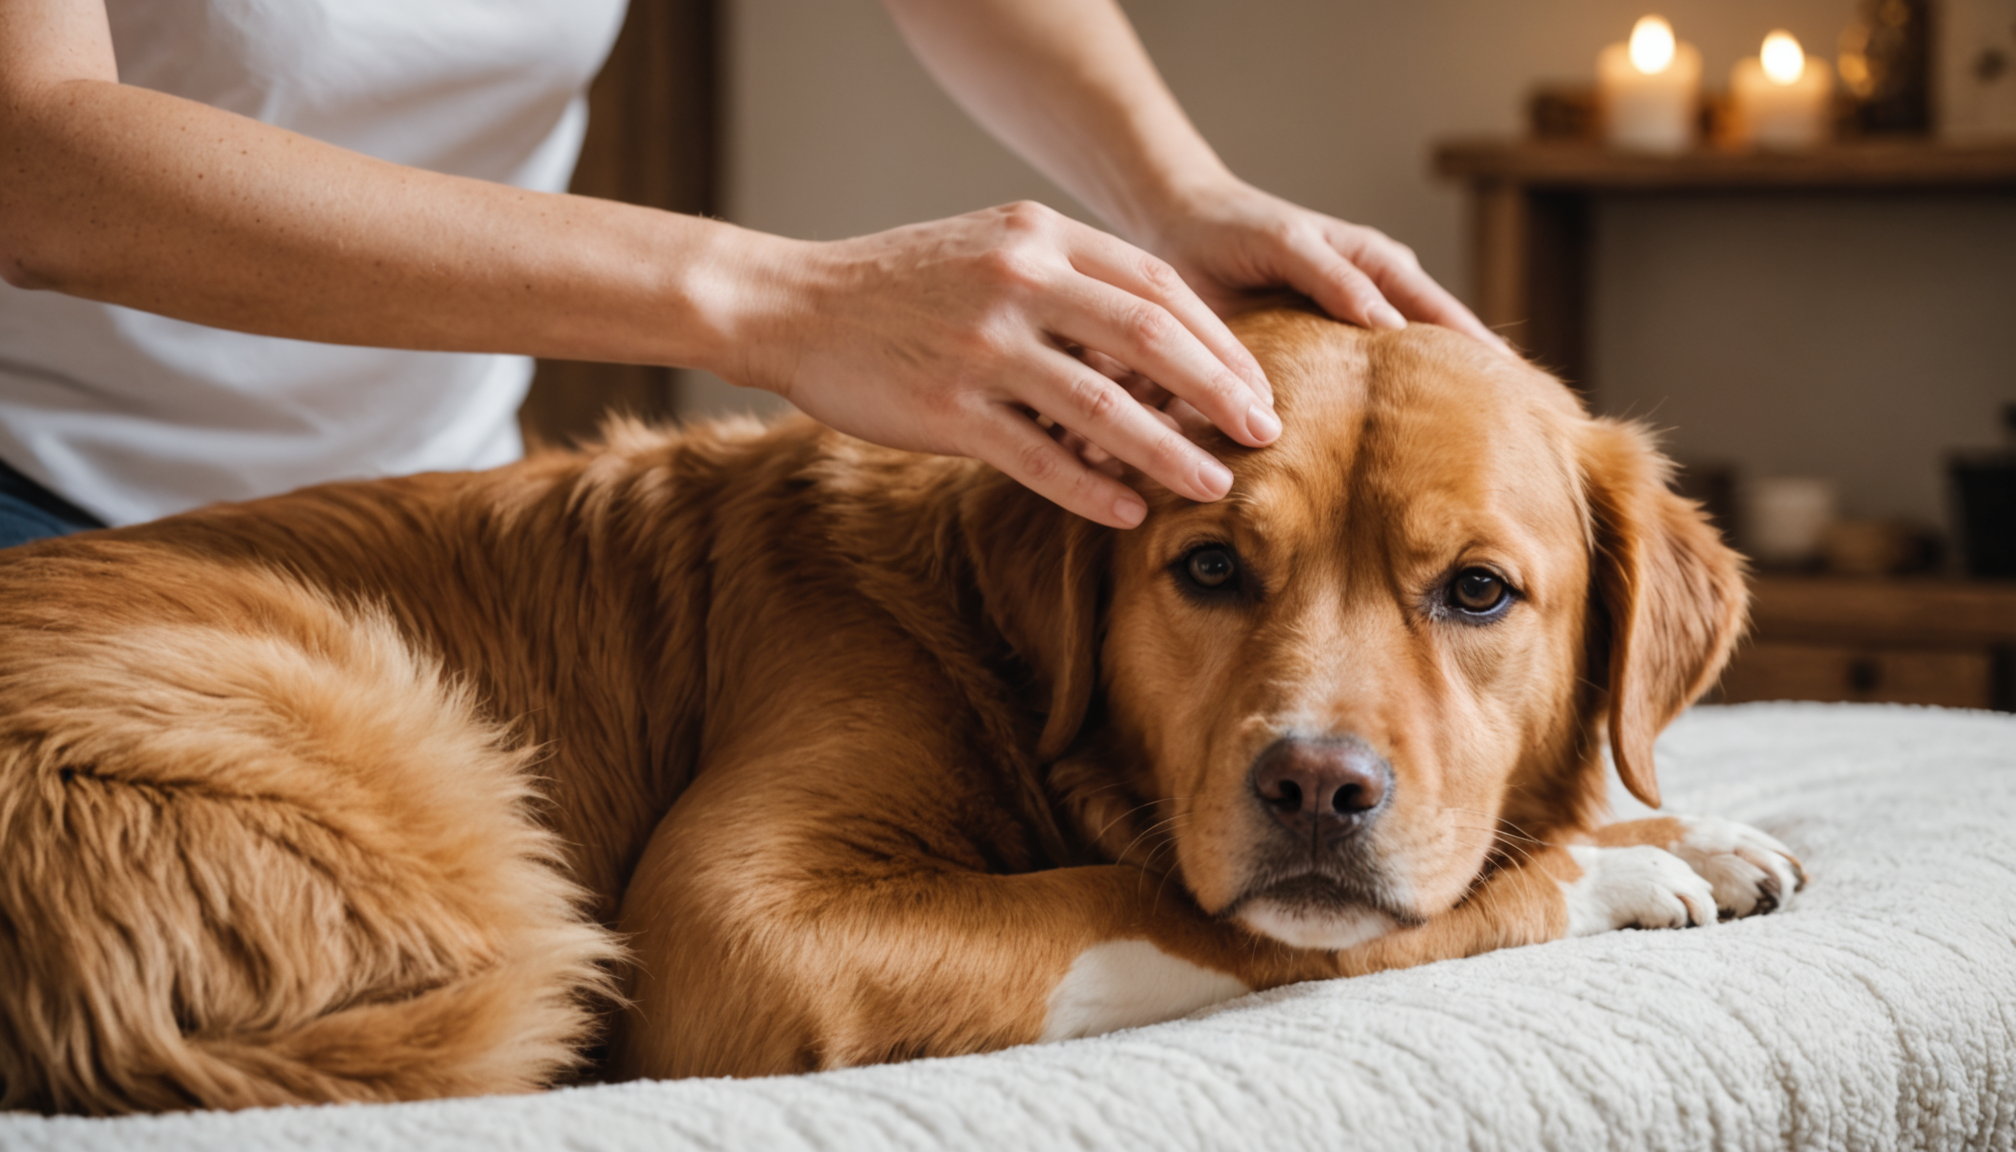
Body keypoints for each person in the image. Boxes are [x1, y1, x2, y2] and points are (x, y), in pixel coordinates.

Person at [0, 0, 1501, 551]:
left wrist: (1177, 190)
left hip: (419, 500)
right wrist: (787, 303)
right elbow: (38, 160)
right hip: (39, 487)